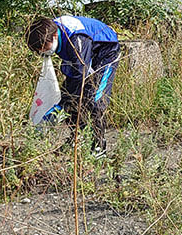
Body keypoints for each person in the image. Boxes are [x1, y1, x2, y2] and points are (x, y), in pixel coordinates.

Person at [26, 15, 120, 157]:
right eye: (38, 50)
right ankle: (79, 138)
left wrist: (62, 104)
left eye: (44, 47)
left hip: (106, 52)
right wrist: (64, 102)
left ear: (54, 36)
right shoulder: (49, 32)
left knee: (95, 100)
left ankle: (99, 148)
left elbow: (80, 72)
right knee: (69, 98)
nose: (42, 51)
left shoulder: (76, 39)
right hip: (83, 57)